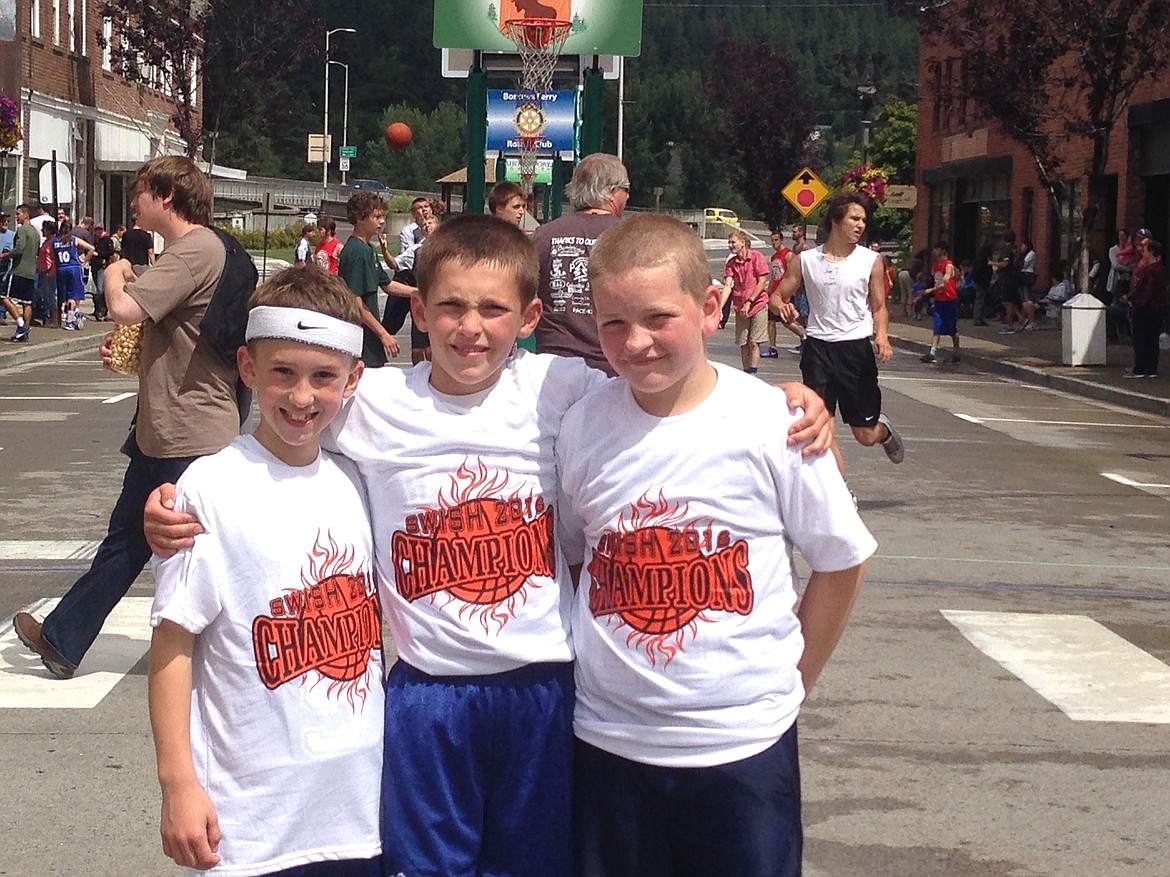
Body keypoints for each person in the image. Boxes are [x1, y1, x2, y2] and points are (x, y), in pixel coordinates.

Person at [143, 214, 836, 877]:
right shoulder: (372, 402)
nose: (469, 327)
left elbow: (664, 384)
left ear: (530, 320)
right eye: (449, 306)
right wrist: (172, 500)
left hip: (543, 686)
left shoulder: (560, 389)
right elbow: (289, 411)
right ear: (420, 306)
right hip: (428, 697)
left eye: (492, 309)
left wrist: (787, 398)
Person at [559, 214, 876, 877]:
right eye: (613, 323)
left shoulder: (772, 421)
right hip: (609, 739)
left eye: (657, 318)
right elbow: (576, 552)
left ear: (710, 307)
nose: (636, 341)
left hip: (741, 745)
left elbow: (842, 557)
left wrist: (795, 678)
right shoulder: (582, 423)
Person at [148, 267, 382, 876]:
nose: (302, 397)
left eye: (323, 377)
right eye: (283, 372)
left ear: (353, 379)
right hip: (251, 820)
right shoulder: (212, 486)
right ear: (248, 368)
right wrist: (177, 783)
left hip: (359, 810)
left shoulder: (356, 479)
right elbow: (173, 642)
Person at [12, 156, 242, 679]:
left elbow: (125, 308)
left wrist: (115, 272)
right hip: (165, 428)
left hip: (191, 431)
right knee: (128, 540)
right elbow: (173, 337)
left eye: (140, 193)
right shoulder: (189, 251)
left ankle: (236, 649)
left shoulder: (196, 249)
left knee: (199, 550)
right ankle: (63, 638)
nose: (134, 203)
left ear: (165, 196)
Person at [771, 192, 905, 471]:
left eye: (863, 220)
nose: (860, 225)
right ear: (835, 220)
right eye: (854, 218)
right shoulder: (805, 260)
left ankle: (884, 431)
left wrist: (882, 336)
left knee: (864, 435)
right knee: (821, 426)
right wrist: (783, 307)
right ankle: (841, 492)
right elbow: (777, 296)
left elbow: (879, 306)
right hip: (818, 348)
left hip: (855, 349)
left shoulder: (870, 260)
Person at [532, 152, 628, 374]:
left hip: (553, 366)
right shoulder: (630, 237)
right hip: (612, 367)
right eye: (626, 189)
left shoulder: (544, 235)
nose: (628, 197)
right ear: (613, 191)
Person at [336, 190, 413, 368]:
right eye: (376, 216)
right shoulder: (357, 252)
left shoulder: (368, 249)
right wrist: (383, 334)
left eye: (383, 216)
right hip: (361, 338)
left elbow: (387, 285)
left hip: (369, 338)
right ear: (360, 217)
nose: (382, 221)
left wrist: (418, 293)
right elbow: (355, 301)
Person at [721, 229, 771, 375]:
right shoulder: (731, 263)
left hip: (758, 304)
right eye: (729, 243)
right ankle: (745, 372)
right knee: (744, 343)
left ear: (742, 243)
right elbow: (727, 286)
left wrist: (750, 301)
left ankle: (753, 373)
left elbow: (762, 281)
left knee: (754, 342)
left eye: (733, 242)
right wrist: (719, 307)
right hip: (740, 307)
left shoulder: (756, 257)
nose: (730, 245)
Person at [1124, 239, 1167, 378]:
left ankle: (1141, 368)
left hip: (1147, 309)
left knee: (1141, 339)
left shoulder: (1152, 271)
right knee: (1152, 339)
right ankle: (1150, 368)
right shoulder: (1160, 269)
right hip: (1156, 309)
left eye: (1146, 249)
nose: (1144, 252)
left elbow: (1147, 292)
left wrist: (1137, 303)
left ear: (1152, 252)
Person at [1, 204, 42, 341]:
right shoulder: (35, 232)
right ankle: (24, 332)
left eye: (18, 214)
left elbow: (19, 248)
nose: (16, 217)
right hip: (31, 272)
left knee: (3, 297)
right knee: (26, 302)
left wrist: (4, 255)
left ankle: (21, 324)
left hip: (19, 270)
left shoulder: (22, 230)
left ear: (26, 214)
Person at [920, 240, 961, 364]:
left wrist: (929, 291)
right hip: (939, 300)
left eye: (936, 249)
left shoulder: (948, 265)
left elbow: (944, 283)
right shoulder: (935, 266)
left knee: (951, 327)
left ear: (943, 251)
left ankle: (956, 351)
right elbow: (936, 281)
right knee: (937, 325)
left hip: (950, 299)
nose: (934, 251)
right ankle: (933, 351)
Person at [55, 219, 96, 330]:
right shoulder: (73, 240)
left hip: (61, 268)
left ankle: (70, 316)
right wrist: (83, 260)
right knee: (73, 296)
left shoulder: (55, 241)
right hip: (73, 267)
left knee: (64, 295)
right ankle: (70, 320)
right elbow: (91, 249)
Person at [764, 229, 796, 357]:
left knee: (787, 321)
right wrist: (768, 290)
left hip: (785, 292)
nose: (774, 243)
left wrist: (791, 291)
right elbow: (774, 276)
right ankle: (773, 347)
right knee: (770, 321)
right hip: (774, 293)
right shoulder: (774, 257)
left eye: (776, 240)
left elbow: (792, 275)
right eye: (772, 240)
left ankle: (804, 336)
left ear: (781, 240)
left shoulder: (788, 255)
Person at [89, 225, 117, 321]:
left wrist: (99, 254)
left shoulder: (107, 240)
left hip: (102, 265)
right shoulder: (93, 240)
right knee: (96, 288)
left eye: (100, 230)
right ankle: (97, 309)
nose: (98, 232)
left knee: (100, 289)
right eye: (96, 230)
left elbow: (111, 251)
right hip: (94, 265)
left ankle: (102, 310)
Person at [35, 220, 58, 327]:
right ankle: (48, 318)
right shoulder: (46, 242)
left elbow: (54, 259)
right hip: (43, 271)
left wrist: (51, 271)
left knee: (51, 296)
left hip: (50, 273)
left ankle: (54, 320)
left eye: (44, 229)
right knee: (46, 296)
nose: (42, 231)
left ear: (48, 230)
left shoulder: (53, 242)